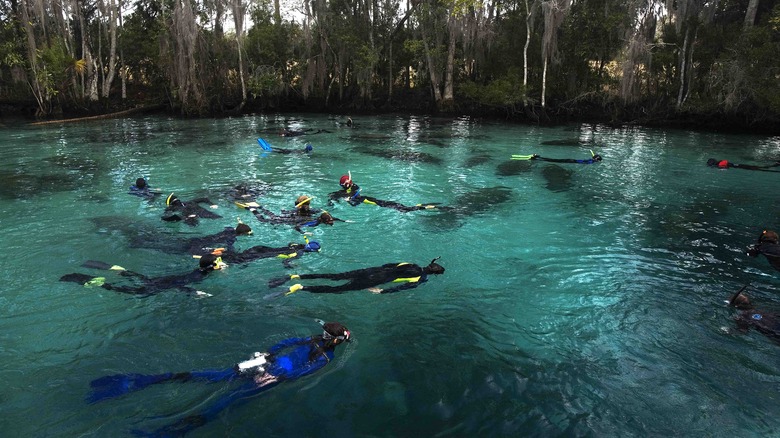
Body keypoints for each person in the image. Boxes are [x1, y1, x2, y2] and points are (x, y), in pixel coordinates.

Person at [86, 321, 351, 436]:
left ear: (327, 335)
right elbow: (299, 370)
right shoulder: (324, 358)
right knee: (224, 402)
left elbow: (288, 343)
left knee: (212, 377)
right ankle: (175, 430)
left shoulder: (313, 341)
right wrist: (274, 377)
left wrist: (269, 357)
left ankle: (144, 380)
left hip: (266, 365)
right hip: (272, 372)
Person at [59, 253, 227, 296]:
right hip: (165, 285)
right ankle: (101, 284)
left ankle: (122, 271)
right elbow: (180, 285)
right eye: (218, 262)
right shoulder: (200, 276)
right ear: (212, 266)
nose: (221, 264)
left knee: (143, 279)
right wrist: (194, 292)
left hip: (165, 279)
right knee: (135, 292)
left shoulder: (199, 271)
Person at [269, 257, 445, 295]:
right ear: (433, 274)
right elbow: (402, 287)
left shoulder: (411, 263)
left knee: (334, 276)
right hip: (375, 280)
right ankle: (301, 287)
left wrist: (373, 271)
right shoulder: (421, 279)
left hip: (371, 270)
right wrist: (381, 291)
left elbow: (387, 265)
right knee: (336, 290)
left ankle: (295, 276)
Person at [327, 174, 446, 212]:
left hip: (367, 200)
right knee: (397, 206)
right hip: (367, 199)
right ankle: (419, 207)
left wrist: (333, 202)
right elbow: (334, 197)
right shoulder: (351, 189)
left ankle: (420, 207)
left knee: (400, 208)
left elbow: (333, 197)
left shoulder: (350, 190)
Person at [706, 158, 780, 171]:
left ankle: (775, 165)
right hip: (740, 165)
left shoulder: (719, 165)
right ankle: (775, 165)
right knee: (760, 167)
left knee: (760, 168)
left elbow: (726, 168)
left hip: (741, 167)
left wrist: (719, 169)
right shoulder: (720, 162)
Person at [523, 152, 602, 164]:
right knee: (553, 161)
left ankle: (537, 157)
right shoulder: (592, 162)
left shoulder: (591, 161)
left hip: (571, 160)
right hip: (572, 161)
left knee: (553, 160)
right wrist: (594, 160)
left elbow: (588, 160)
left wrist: (593, 158)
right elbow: (587, 162)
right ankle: (536, 158)